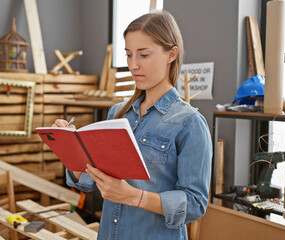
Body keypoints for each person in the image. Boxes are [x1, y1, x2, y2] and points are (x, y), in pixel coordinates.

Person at [52, 10, 212, 240]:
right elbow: (89, 181)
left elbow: (196, 204)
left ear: (171, 54)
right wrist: (71, 147)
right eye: (128, 55)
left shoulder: (189, 123)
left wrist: (134, 196)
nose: (133, 65)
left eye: (144, 55)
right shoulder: (118, 113)